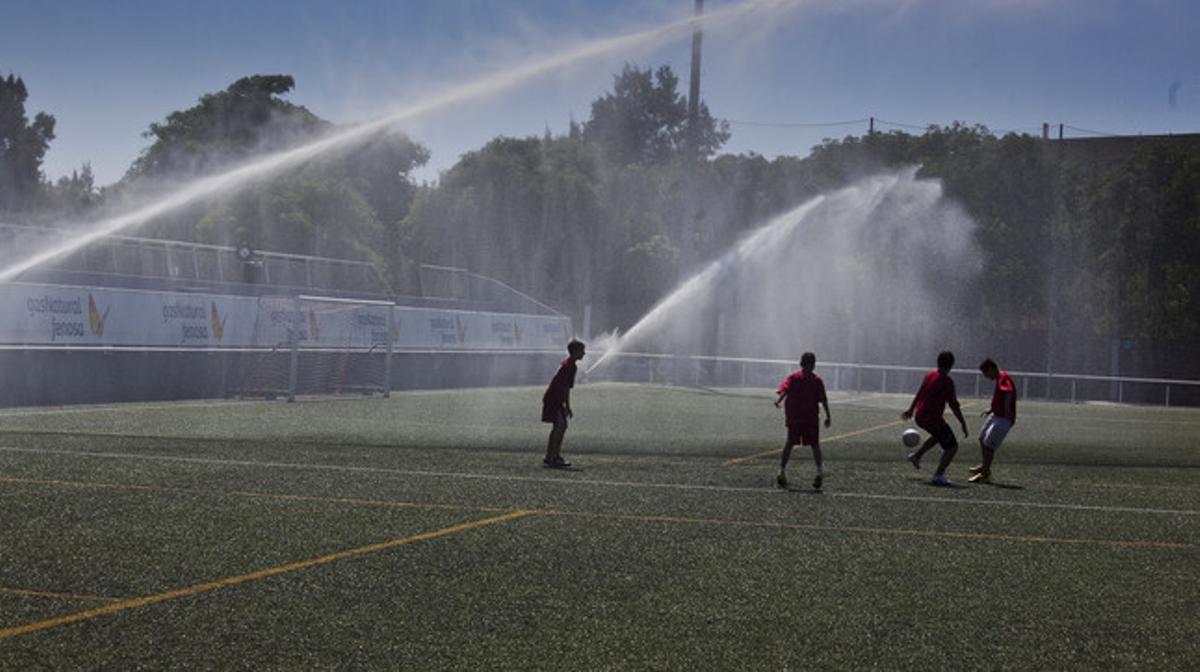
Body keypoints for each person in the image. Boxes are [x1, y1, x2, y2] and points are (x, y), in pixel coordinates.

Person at [901, 350, 969, 486]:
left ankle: (916, 456)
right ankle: (938, 475)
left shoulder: (930, 375)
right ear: (951, 365)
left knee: (939, 436)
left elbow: (919, 393)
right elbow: (954, 405)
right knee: (952, 447)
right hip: (931, 418)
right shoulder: (947, 381)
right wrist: (962, 423)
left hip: (921, 416)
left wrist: (911, 409)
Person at [773, 352, 831, 490]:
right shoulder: (817, 380)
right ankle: (819, 471)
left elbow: (785, 390)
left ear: (801, 363)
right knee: (815, 445)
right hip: (810, 417)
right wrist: (828, 416)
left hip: (795, 416)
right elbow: (823, 400)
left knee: (789, 443)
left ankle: (781, 470)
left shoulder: (793, 377)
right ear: (814, 365)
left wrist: (778, 400)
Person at [970, 358, 1017, 483]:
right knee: (981, 438)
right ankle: (985, 466)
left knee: (989, 445)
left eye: (985, 374)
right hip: (996, 415)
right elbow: (1000, 395)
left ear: (991, 369)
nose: (985, 377)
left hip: (1003, 418)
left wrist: (1007, 408)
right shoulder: (1000, 378)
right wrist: (991, 409)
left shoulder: (1003, 377)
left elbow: (1009, 392)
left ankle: (985, 474)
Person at [542, 339, 585, 468]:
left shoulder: (569, 364)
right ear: (576, 352)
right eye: (582, 351)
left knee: (560, 426)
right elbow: (565, 388)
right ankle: (552, 457)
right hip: (554, 398)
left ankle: (553, 455)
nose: (584, 353)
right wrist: (567, 405)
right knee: (560, 426)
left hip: (555, 398)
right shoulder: (570, 366)